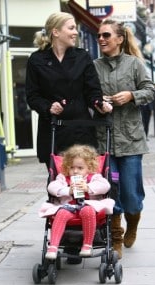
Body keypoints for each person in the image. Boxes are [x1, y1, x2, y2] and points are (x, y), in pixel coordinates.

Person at [93, 19, 155, 258]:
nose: (101, 39)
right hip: (105, 139)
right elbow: (88, 97)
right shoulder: (94, 66)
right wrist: (98, 104)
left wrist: (131, 95)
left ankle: (134, 221)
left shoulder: (135, 64)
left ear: (120, 39)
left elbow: (151, 91)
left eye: (106, 35)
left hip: (131, 139)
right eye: (99, 36)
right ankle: (115, 238)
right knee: (110, 191)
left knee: (131, 194)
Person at [25, 12, 112, 169]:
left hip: (81, 130)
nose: (75, 32)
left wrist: (100, 104)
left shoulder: (82, 57)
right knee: (58, 186)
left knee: (84, 184)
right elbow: (32, 96)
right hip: (52, 130)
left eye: (75, 28)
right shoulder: (36, 60)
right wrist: (48, 107)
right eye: (71, 28)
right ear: (56, 32)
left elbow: (93, 91)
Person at [39, 144, 115, 260]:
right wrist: (66, 190)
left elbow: (105, 186)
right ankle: (53, 247)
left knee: (88, 210)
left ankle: (87, 245)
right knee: (61, 213)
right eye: (72, 167)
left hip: (88, 206)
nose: (75, 171)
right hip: (69, 207)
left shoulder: (94, 177)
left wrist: (88, 187)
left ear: (89, 167)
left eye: (80, 168)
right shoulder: (63, 177)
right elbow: (52, 187)